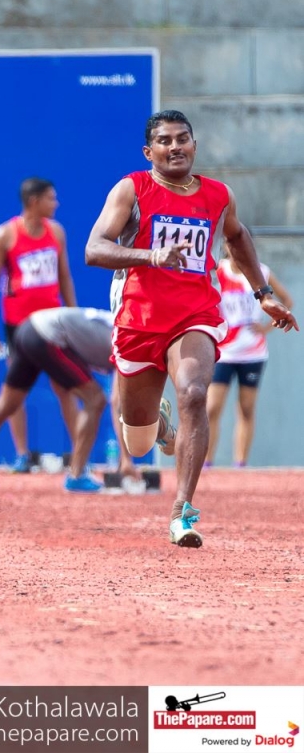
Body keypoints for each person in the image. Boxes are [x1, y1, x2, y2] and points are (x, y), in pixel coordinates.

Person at [85, 109, 296, 547]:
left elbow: (237, 237)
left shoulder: (218, 195)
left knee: (195, 393)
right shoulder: (132, 189)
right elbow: (94, 249)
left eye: (182, 139)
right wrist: (151, 256)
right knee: (139, 442)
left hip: (195, 313)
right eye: (164, 141)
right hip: (139, 317)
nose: (175, 147)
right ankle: (160, 426)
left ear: (194, 146)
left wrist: (262, 294)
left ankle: (182, 511)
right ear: (149, 152)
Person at [0, 307, 129, 493]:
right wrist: (126, 460)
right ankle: (77, 475)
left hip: (28, 328)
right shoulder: (131, 346)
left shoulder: (125, 331)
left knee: (6, 404)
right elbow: (118, 402)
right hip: (47, 335)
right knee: (95, 399)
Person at [0, 177, 79, 473]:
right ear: (34, 201)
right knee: (14, 395)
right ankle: (22, 455)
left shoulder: (56, 232)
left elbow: (64, 276)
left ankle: (80, 454)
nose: (56, 203)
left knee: (66, 387)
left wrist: (73, 317)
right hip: (20, 328)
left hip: (53, 324)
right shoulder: (5, 235)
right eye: (51, 198)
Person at [205, 241, 293, 468]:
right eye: (232, 245)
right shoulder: (219, 270)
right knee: (212, 407)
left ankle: (240, 463)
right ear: (227, 247)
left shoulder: (260, 272)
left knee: (246, 409)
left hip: (253, 352)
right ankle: (206, 462)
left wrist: (266, 328)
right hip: (224, 352)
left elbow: (287, 300)